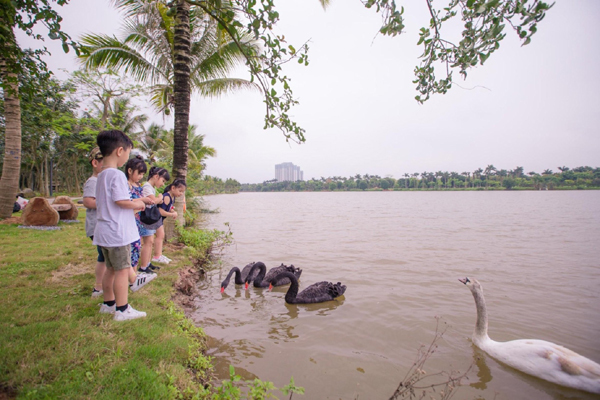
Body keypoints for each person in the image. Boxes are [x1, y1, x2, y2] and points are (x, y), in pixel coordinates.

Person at [94, 130, 154, 321]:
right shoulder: (117, 175)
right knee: (121, 271)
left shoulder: (102, 174)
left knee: (110, 269)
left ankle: (108, 303)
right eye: (128, 152)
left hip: (104, 232)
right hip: (117, 232)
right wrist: (139, 203)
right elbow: (122, 201)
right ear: (120, 151)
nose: (128, 156)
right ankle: (122, 309)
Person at [125, 155, 157, 291]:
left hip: (137, 220)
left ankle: (134, 276)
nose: (140, 177)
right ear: (130, 171)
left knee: (136, 247)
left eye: (142, 174)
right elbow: (126, 202)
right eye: (139, 173)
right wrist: (142, 200)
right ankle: (131, 279)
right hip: (129, 220)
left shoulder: (137, 185)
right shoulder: (126, 185)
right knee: (131, 248)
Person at [82, 147, 106, 298]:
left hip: (102, 225)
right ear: (95, 163)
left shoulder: (101, 180)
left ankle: (102, 285)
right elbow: (87, 201)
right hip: (97, 226)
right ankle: (98, 287)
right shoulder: (93, 181)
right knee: (103, 256)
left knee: (104, 256)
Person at [139, 167, 170, 272]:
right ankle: (143, 267)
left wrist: (158, 199)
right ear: (156, 176)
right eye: (163, 181)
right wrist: (160, 198)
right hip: (146, 218)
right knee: (148, 242)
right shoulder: (147, 187)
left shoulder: (151, 187)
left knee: (150, 241)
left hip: (150, 218)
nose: (163, 184)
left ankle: (147, 263)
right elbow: (153, 201)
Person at [156, 179, 186, 262]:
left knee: (161, 236)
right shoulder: (166, 197)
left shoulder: (172, 198)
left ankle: (159, 255)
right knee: (160, 236)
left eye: (182, 192)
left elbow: (168, 208)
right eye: (180, 191)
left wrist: (172, 211)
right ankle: (157, 256)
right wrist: (172, 214)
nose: (181, 193)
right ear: (173, 188)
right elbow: (160, 211)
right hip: (156, 219)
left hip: (159, 219)